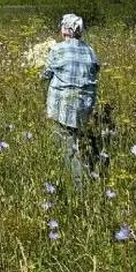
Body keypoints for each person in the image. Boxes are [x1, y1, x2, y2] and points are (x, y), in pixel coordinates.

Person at [40, 13, 100, 188]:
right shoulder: (90, 50)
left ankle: (80, 188)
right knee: (74, 142)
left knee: (67, 149)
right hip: (84, 107)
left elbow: (45, 75)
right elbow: (95, 70)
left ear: (65, 29)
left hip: (62, 107)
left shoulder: (57, 49)